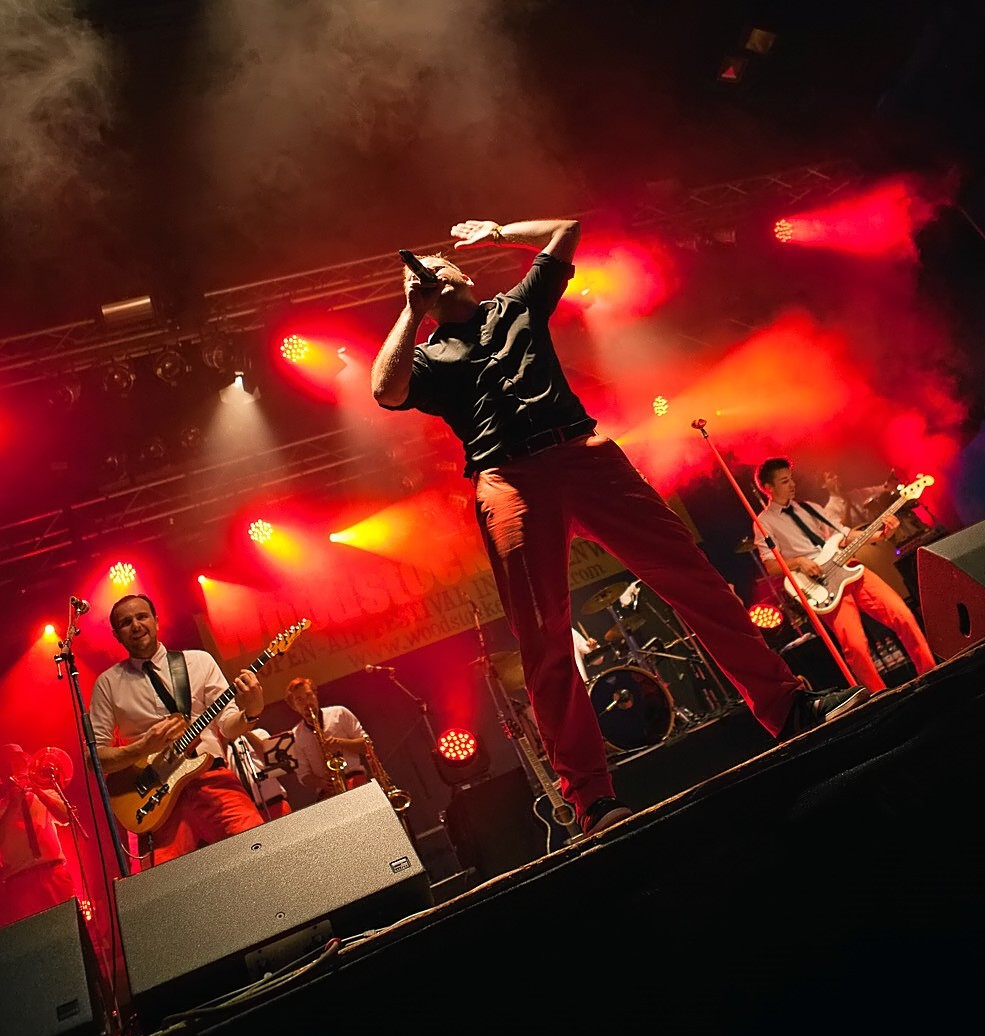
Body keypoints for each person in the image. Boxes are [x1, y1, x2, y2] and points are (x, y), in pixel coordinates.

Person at [371, 216, 869, 839]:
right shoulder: (426, 355)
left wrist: (499, 233)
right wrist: (410, 310)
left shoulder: (515, 307)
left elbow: (566, 231)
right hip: (509, 480)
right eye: (417, 279)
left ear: (464, 275)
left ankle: (790, 707)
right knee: (544, 638)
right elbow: (384, 390)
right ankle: (593, 801)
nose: (427, 277)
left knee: (691, 576)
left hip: (585, 455)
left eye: (437, 270)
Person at [89, 593, 267, 864]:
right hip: (156, 803)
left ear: (156, 621)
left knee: (259, 852)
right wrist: (142, 747)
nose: (135, 625)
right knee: (169, 883)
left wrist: (251, 712)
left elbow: (228, 726)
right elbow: (95, 758)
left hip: (211, 780)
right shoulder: (108, 684)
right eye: (126, 622)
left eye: (142, 616)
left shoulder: (199, 662)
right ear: (117, 635)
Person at [754, 457, 937, 693]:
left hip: (850, 568)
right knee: (856, 648)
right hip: (822, 585)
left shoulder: (809, 507)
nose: (792, 484)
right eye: (784, 481)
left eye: (791, 479)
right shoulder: (764, 523)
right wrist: (799, 562)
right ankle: (880, 698)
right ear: (768, 488)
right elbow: (771, 566)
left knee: (902, 615)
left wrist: (881, 534)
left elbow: (844, 535)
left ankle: (931, 675)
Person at [0, 743, 77, 926]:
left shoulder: (46, 793)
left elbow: (67, 817)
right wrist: (13, 803)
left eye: (20, 763)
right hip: (20, 883)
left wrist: (37, 790)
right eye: (12, 765)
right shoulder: (2, 807)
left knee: (68, 927)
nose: (18, 768)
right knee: (31, 935)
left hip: (54, 874)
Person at [284, 678, 371, 799]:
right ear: (294, 706)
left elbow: (367, 746)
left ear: (315, 694)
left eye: (309, 695)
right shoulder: (295, 736)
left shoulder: (339, 713)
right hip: (328, 792)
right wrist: (322, 783)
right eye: (299, 700)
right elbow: (303, 776)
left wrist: (341, 743)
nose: (307, 703)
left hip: (355, 780)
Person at [226, 726, 294, 821]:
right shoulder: (224, 748)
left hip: (276, 805)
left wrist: (245, 731)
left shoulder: (259, 733)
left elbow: (272, 759)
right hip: (249, 814)